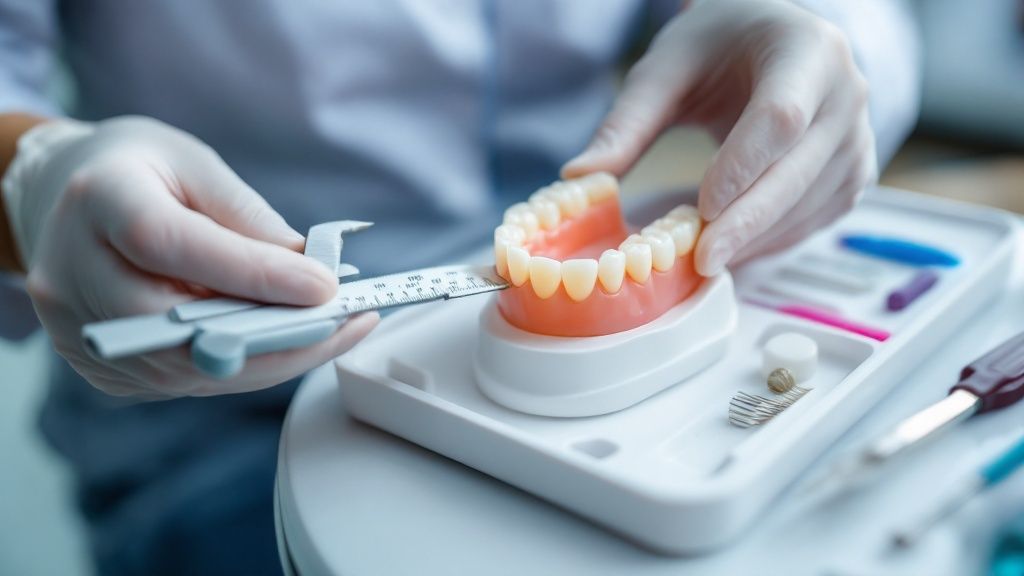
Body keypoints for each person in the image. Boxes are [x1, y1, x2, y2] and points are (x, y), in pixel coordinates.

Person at [0, 1, 919, 574]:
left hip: (646, 394)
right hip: (228, 419)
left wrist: (807, 30)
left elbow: (844, 31)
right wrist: (31, 174)